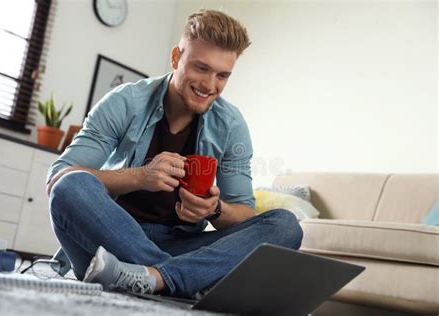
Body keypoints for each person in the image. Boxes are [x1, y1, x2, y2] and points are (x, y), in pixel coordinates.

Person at [46, 9, 303, 298]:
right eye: (201, 68)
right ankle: (181, 280)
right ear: (175, 58)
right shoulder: (125, 102)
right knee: (71, 186)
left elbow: (243, 212)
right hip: (107, 241)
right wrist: (140, 176)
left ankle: (155, 279)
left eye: (222, 75)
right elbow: (59, 177)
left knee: (285, 225)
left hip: (181, 247)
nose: (209, 85)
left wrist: (214, 210)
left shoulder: (231, 125)